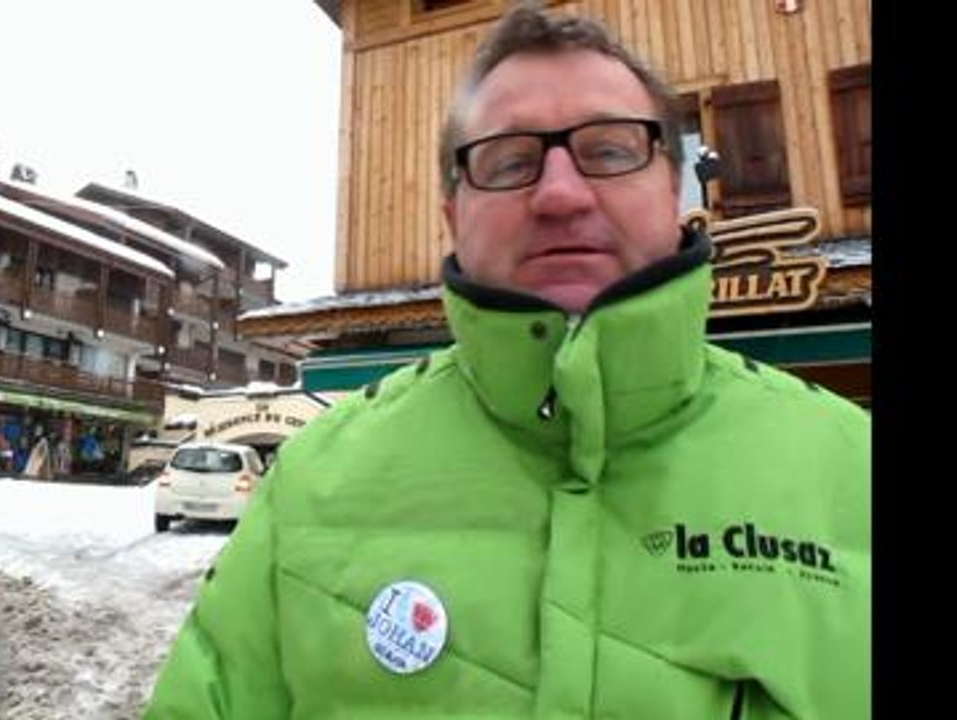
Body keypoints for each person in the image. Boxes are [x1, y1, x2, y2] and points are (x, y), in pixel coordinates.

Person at [143, 4, 869, 719]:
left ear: (675, 192)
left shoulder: (853, 472)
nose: (559, 193)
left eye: (611, 151)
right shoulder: (310, 482)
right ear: (454, 215)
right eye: (511, 160)